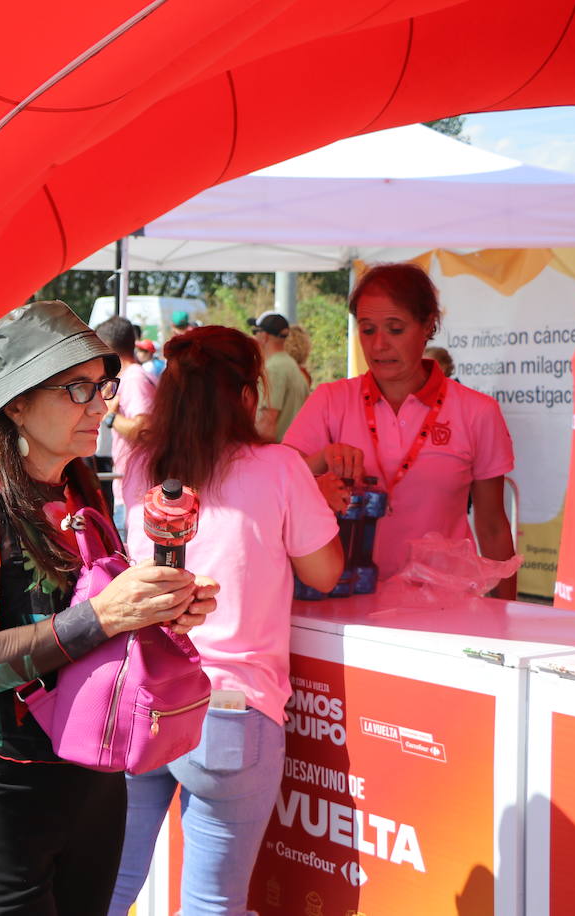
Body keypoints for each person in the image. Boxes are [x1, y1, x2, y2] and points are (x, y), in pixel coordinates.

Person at [0, 300, 220, 916]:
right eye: (76, 388)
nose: (100, 405)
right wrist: (107, 614)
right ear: (18, 402)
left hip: (92, 772)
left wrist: (161, 612)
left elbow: (95, 616)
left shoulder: (78, 482)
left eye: (102, 385)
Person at [110, 326, 343, 916]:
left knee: (108, 889)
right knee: (213, 903)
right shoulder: (280, 466)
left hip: (144, 696)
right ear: (245, 395)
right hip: (230, 711)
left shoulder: (142, 466)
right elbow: (325, 572)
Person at [284, 262, 517, 597]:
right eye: (367, 329)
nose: (378, 345)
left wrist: (506, 616)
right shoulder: (330, 401)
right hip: (341, 602)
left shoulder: (476, 411)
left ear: (429, 326)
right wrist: (322, 461)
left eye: (395, 329)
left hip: (443, 604)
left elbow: (493, 526)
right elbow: (277, 489)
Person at [96, 316, 152, 535]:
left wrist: (110, 416)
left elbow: (143, 428)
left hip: (135, 494)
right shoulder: (131, 377)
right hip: (130, 489)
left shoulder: (134, 378)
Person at [248, 310, 309, 442]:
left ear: (264, 336)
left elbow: (267, 425)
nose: (254, 337)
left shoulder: (274, 369)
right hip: (290, 453)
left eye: (255, 332)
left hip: (274, 455)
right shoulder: (291, 366)